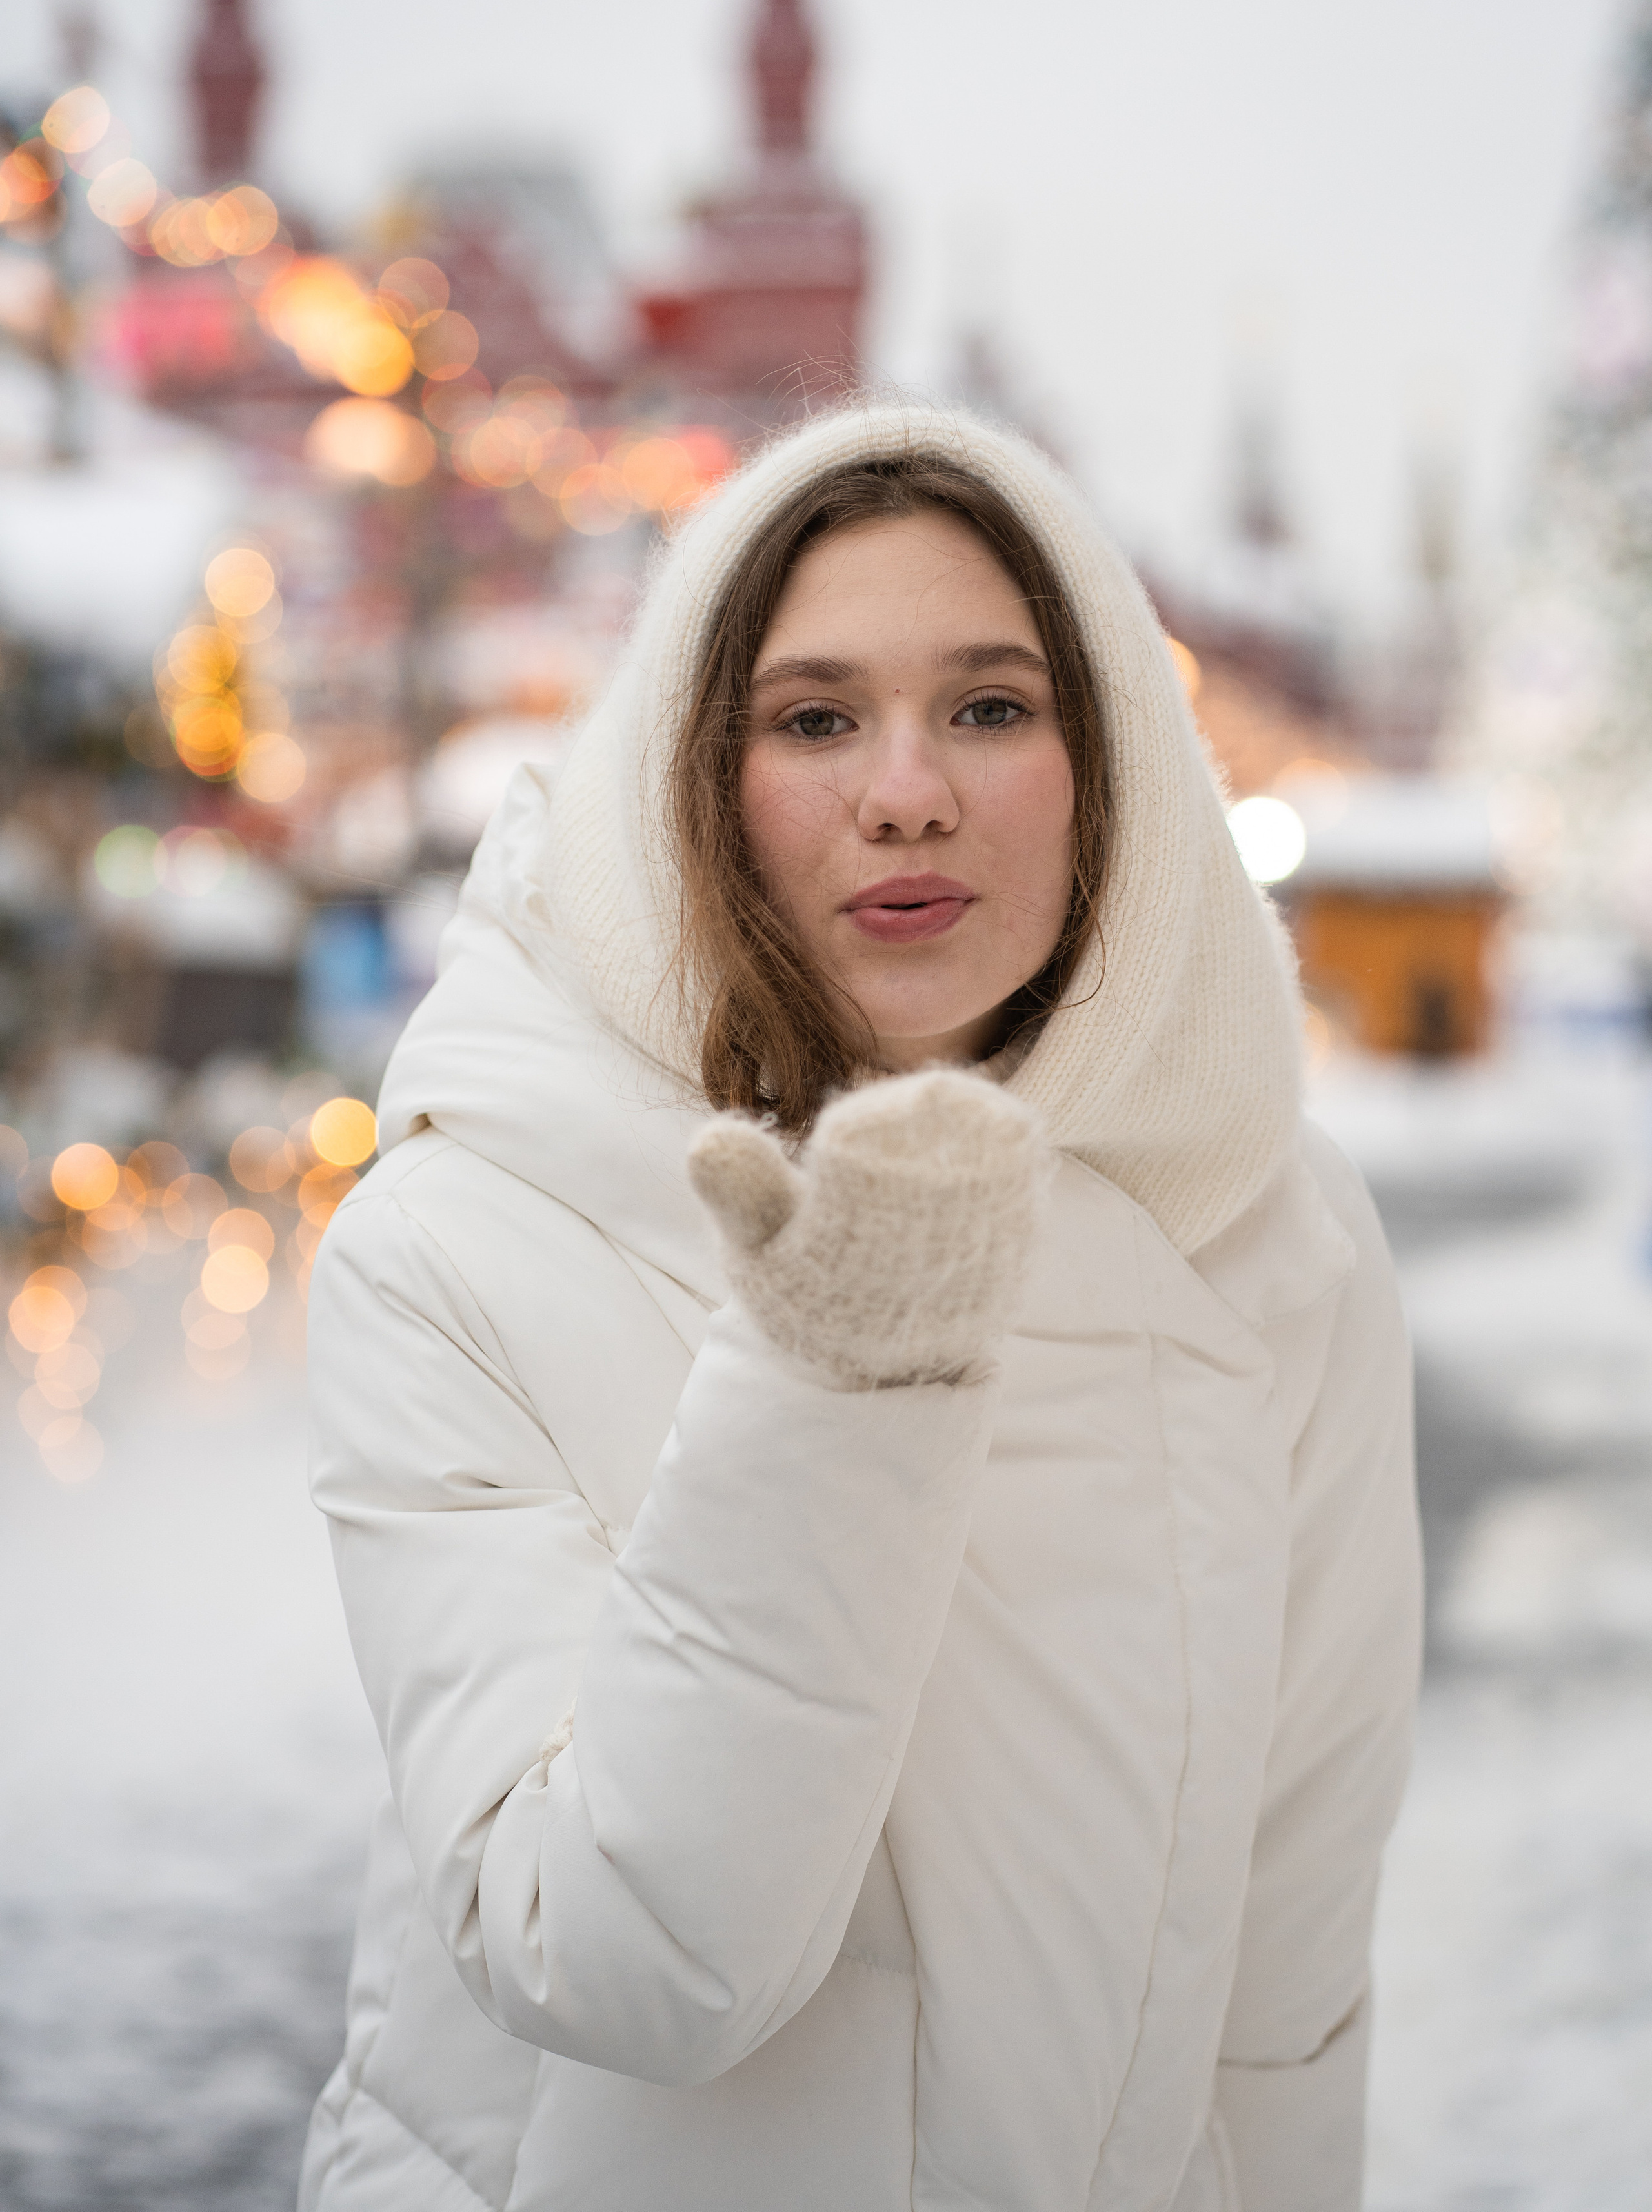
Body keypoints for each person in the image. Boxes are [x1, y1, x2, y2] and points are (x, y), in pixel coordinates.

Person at [301, 402, 1421, 2212]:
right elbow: (625, 1961)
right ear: (696, 769)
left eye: (991, 706)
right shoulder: (466, 1234)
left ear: (1111, 759)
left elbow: (1285, 1985)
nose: (909, 790)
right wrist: (838, 1376)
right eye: (814, 719)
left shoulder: (1269, 1238)